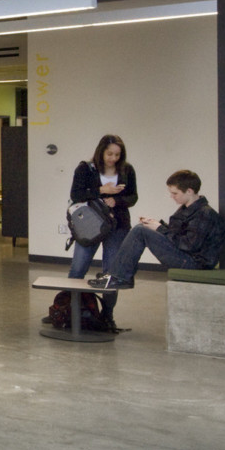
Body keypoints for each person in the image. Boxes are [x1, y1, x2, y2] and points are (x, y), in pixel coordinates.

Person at [91, 169, 225, 290]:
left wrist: (160, 228)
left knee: (140, 231)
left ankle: (119, 277)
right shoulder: (189, 208)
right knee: (142, 228)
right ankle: (118, 275)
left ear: (189, 191)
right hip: (189, 257)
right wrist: (156, 224)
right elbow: (179, 235)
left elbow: (188, 245)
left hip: (195, 263)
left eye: (175, 193)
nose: (172, 196)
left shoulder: (204, 213)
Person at [69, 134, 136, 324]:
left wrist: (117, 200)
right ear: (101, 151)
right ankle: (67, 310)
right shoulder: (85, 169)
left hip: (118, 225)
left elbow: (133, 196)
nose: (113, 158)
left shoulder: (127, 170)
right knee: (78, 269)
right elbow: (76, 194)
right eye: (109, 154)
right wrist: (101, 190)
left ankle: (107, 316)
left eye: (117, 155)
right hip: (89, 225)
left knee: (111, 274)